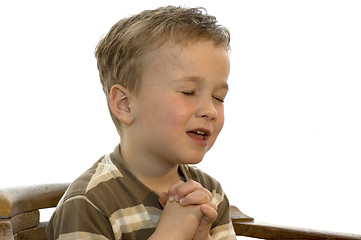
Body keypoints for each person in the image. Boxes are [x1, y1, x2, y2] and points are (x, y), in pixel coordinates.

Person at [46, 5, 236, 240]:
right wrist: (171, 234)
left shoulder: (210, 193)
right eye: (188, 92)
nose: (210, 110)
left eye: (218, 97)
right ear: (125, 104)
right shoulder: (90, 203)